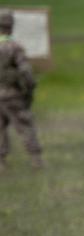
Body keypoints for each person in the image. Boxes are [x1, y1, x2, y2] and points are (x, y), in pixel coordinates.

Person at [0, 9, 42, 171]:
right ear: (11, 26)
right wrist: (30, 87)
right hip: (13, 95)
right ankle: (36, 160)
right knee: (25, 126)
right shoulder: (14, 48)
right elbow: (26, 72)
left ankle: (1, 163)